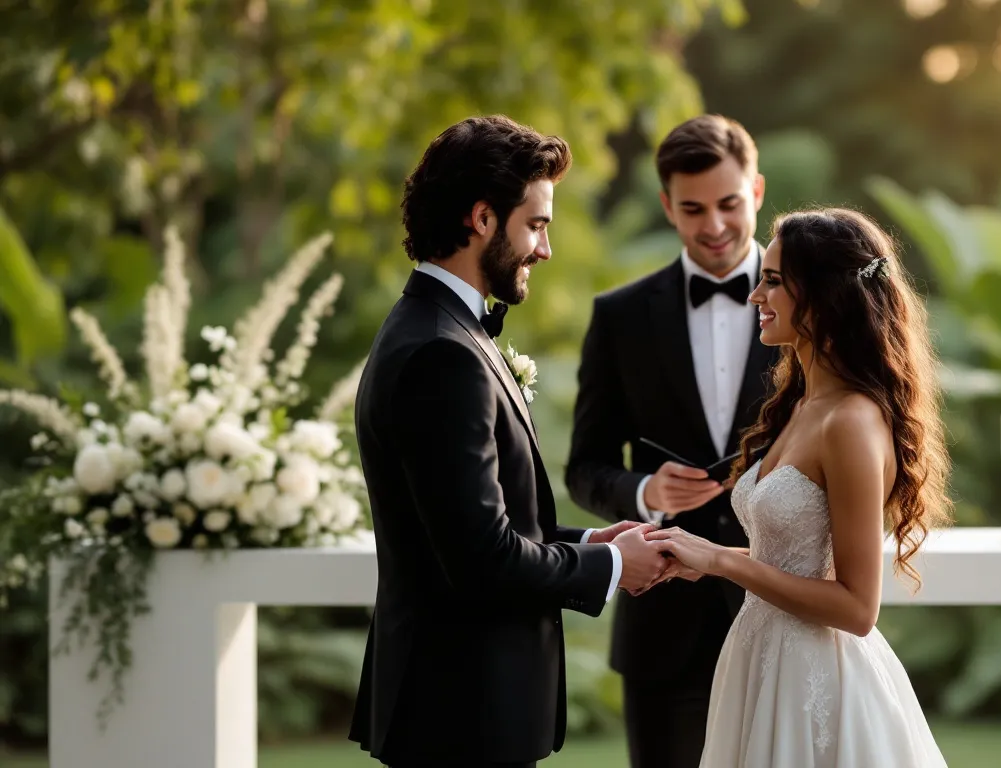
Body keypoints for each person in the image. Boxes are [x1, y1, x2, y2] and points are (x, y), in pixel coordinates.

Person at [348, 115, 669, 768]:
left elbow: (483, 525)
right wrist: (611, 568)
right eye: (537, 224)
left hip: (462, 709)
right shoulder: (441, 354)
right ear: (483, 219)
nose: (544, 249)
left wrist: (587, 541)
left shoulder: (438, 331)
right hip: (460, 715)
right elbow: (480, 561)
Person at [647, 207, 953, 767]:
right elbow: (797, 559)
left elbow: (859, 607)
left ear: (826, 293)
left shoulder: (852, 422)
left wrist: (721, 561)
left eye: (773, 280)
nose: (754, 295)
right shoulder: (804, 405)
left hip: (816, 682)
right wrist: (703, 558)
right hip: (759, 657)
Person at [564, 114, 778, 768]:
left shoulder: (815, 305)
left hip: (780, 608)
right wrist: (642, 490)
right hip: (662, 627)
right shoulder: (620, 316)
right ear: (666, 206)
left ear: (758, 192)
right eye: (692, 209)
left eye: (729, 204)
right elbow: (584, 467)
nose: (713, 225)